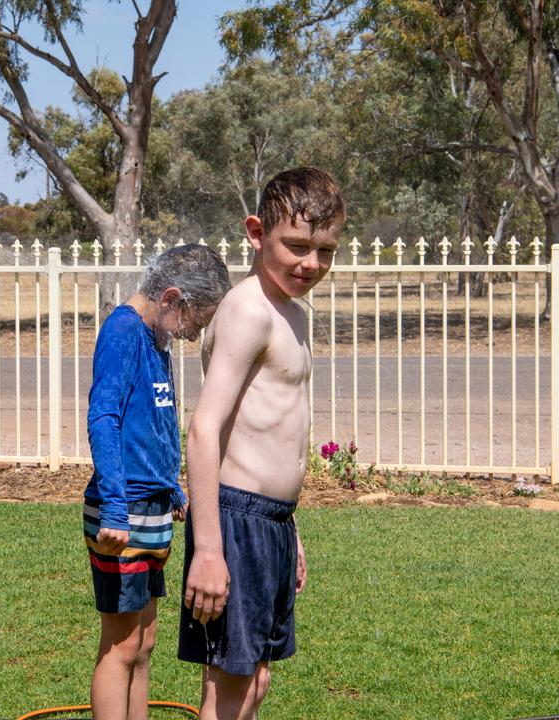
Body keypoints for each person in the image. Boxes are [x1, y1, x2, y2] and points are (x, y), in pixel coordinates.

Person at [178, 167, 345, 719]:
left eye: (325, 251)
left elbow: (273, 428)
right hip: (236, 520)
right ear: (255, 233)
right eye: (296, 247)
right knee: (233, 686)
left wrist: (287, 524)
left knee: (252, 680)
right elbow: (205, 429)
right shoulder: (249, 309)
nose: (311, 264)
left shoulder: (291, 314)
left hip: (267, 520)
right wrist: (208, 549)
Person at [84, 244, 231, 720]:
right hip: (122, 513)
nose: (195, 333)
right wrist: (113, 508)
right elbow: (104, 419)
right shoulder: (124, 332)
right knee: (121, 645)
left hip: (153, 508)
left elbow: (150, 426)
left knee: (145, 642)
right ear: (171, 298)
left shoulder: (155, 338)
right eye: (195, 319)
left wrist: (172, 488)